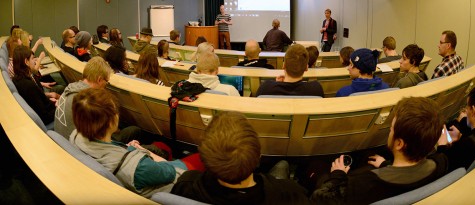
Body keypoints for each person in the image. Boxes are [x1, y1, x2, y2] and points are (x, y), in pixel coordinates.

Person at [311, 97, 447, 205]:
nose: (390, 131)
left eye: (392, 128)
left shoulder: (363, 184)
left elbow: (320, 199)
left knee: (316, 168)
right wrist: (385, 165)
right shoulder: (441, 162)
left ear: (399, 144)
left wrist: (338, 174)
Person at [172, 112, 311, 205]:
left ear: (204, 160)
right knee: (282, 165)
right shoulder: (290, 194)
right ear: (259, 157)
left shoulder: (186, 184)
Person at [70, 87, 187, 197]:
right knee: (192, 158)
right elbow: (174, 172)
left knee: (160, 146)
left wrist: (129, 149)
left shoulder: (75, 136)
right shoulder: (141, 167)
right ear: (111, 122)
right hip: (171, 187)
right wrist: (145, 152)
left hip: (133, 169)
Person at [437, 84, 475, 171]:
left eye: (467, 106)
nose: (466, 110)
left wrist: (441, 145)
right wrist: (460, 137)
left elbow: (443, 165)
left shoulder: (468, 144)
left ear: (473, 109)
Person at [55, 56, 112, 139]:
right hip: (73, 148)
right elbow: (98, 138)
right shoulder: (87, 101)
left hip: (60, 140)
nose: (106, 85)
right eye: (106, 81)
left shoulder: (70, 88)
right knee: (132, 131)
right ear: (99, 80)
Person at [12, 45, 59, 125]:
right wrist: (59, 108)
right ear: (26, 62)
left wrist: (50, 99)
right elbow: (44, 116)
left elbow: (39, 99)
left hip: (47, 107)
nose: (35, 61)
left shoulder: (22, 77)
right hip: (49, 118)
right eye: (33, 58)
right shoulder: (28, 85)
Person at [256, 44, 324, 97]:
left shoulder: (265, 88)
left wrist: (276, 85)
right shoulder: (316, 89)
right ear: (306, 68)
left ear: (283, 65)